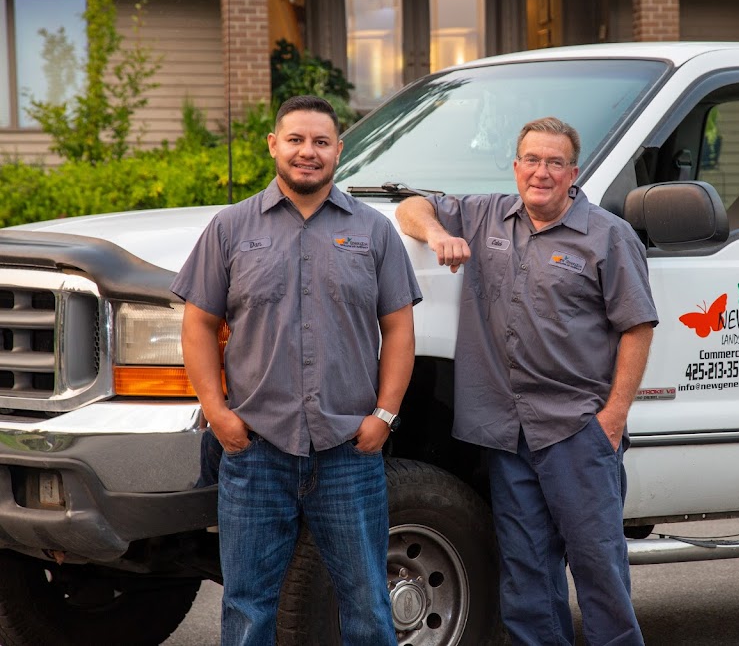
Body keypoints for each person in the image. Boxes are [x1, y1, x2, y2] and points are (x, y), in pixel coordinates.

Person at [396, 116, 658, 645]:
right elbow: (411, 207)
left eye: (555, 163)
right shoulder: (485, 215)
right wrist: (439, 235)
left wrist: (612, 419)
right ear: (516, 167)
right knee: (526, 574)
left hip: (576, 430)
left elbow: (638, 326)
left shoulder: (608, 235)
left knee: (598, 568)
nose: (542, 172)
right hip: (506, 434)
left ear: (573, 173)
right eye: (532, 160)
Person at [172, 95, 421, 645]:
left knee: (367, 602)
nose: (308, 152)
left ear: (339, 150)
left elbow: (400, 329)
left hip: (349, 453)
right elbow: (198, 325)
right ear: (273, 145)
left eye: (321, 142)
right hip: (256, 451)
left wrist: (384, 415)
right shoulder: (230, 228)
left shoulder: (374, 231)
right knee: (247, 607)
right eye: (296, 140)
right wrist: (217, 412)